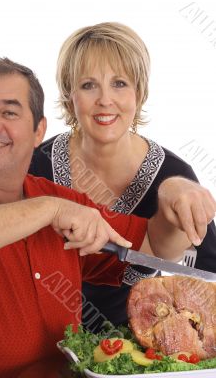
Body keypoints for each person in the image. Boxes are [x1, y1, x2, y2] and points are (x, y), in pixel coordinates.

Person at [0, 58, 193, 378]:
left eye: (8, 112)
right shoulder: (54, 205)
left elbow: (153, 245)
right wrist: (48, 210)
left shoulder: (65, 201)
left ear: (38, 131)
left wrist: (176, 191)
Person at [27, 22, 216, 328]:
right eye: (88, 85)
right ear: (69, 94)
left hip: (135, 355)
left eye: (119, 83)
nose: (105, 100)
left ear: (139, 92)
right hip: (38, 345)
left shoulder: (175, 175)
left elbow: (206, 275)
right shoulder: (35, 162)